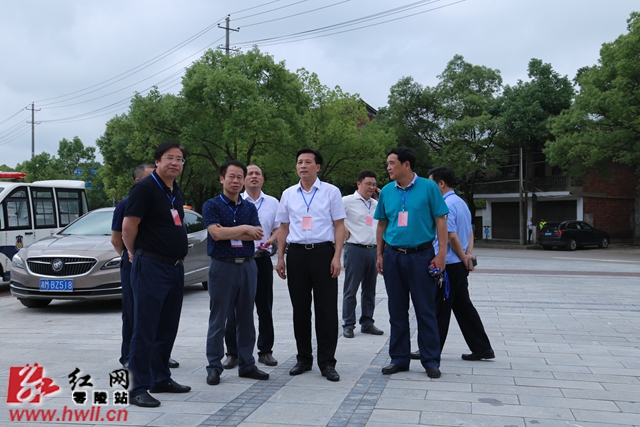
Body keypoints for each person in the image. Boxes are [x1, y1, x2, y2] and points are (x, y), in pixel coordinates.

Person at [122, 142, 191, 408]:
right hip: (150, 265)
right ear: (158, 161)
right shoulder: (144, 188)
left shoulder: (175, 190)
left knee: (167, 326)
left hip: (174, 267)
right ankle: (138, 386)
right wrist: (133, 252)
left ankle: (161, 377)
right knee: (145, 327)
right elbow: (129, 227)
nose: (175, 163)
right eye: (169, 158)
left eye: (180, 159)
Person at [374, 147, 448, 379]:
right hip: (393, 255)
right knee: (396, 310)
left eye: (391, 163)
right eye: (387, 163)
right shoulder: (386, 191)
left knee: (425, 309)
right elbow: (381, 225)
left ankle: (430, 360)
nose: (388, 168)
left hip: (421, 255)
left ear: (406, 165)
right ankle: (399, 358)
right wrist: (379, 254)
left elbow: (440, 221)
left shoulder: (429, 187)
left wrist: (442, 253)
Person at [275, 148, 346, 382]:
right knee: (300, 309)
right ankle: (303, 358)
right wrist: (280, 257)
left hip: (323, 252)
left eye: (308, 162)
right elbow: (283, 228)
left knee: (326, 310)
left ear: (318, 166)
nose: (302, 166)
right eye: (299, 162)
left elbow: (339, 226)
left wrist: (337, 256)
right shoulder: (288, 194)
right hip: (296, 254)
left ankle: (327, 362)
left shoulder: (331, 192)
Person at [204, 160, 269, 386]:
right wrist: (244, 229)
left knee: (246, 317)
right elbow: (216, 234)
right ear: (222, 179)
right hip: (222, 266)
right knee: (218, 318)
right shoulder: (211, 205)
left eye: (239, 177)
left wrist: (235, 231)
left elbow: (257, 234)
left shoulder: (249, 207)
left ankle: (247, 364)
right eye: (231, 176)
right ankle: (214, 365)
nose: (236, 181)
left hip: (248, 265)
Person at [110, 164, 180, 371]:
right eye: (151, 178)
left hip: (161, 265)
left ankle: (158, 356)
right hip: (138, 263)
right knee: (134, 311)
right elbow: (117, 238)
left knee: (159, 313)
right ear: (138, 183)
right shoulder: (126, 205)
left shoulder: (170, 199)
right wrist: (131, 254)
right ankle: (129, 356)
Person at [426, 166, 494, 361]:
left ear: (440, 183)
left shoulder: (446, 205)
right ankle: (482, 347)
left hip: (449, 265)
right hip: (459, 264)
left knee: (440, 308)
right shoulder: (461, 203)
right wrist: (467, 254)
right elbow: (470, 233)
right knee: (463, 308)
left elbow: (451, 236)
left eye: (431, 183)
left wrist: (463, 256)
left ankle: (431, 350)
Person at [222, 164, 280, 370]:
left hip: (261, 258)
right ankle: (233, 353)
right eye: (250, 174)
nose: (254, 177)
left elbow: (279, 228)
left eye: (258, 174)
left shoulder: (273, 202)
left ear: (263, 179)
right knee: (234, 309)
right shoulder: (234, 201)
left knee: (264, 306)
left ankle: (265, 351)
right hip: (238, 259)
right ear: (244, 179)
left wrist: (270, 241)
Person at [341, 170, 383, 339]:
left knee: (370, 289)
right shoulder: (347, 201)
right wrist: (343, 229)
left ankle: (367, 322)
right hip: (355, 249)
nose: (371, 187)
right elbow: (333, 218)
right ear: (359, 184)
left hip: (372, 249)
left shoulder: (375, 204)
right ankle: (348, 324)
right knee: (351, 289)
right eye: (368, 184)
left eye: (374, 184)